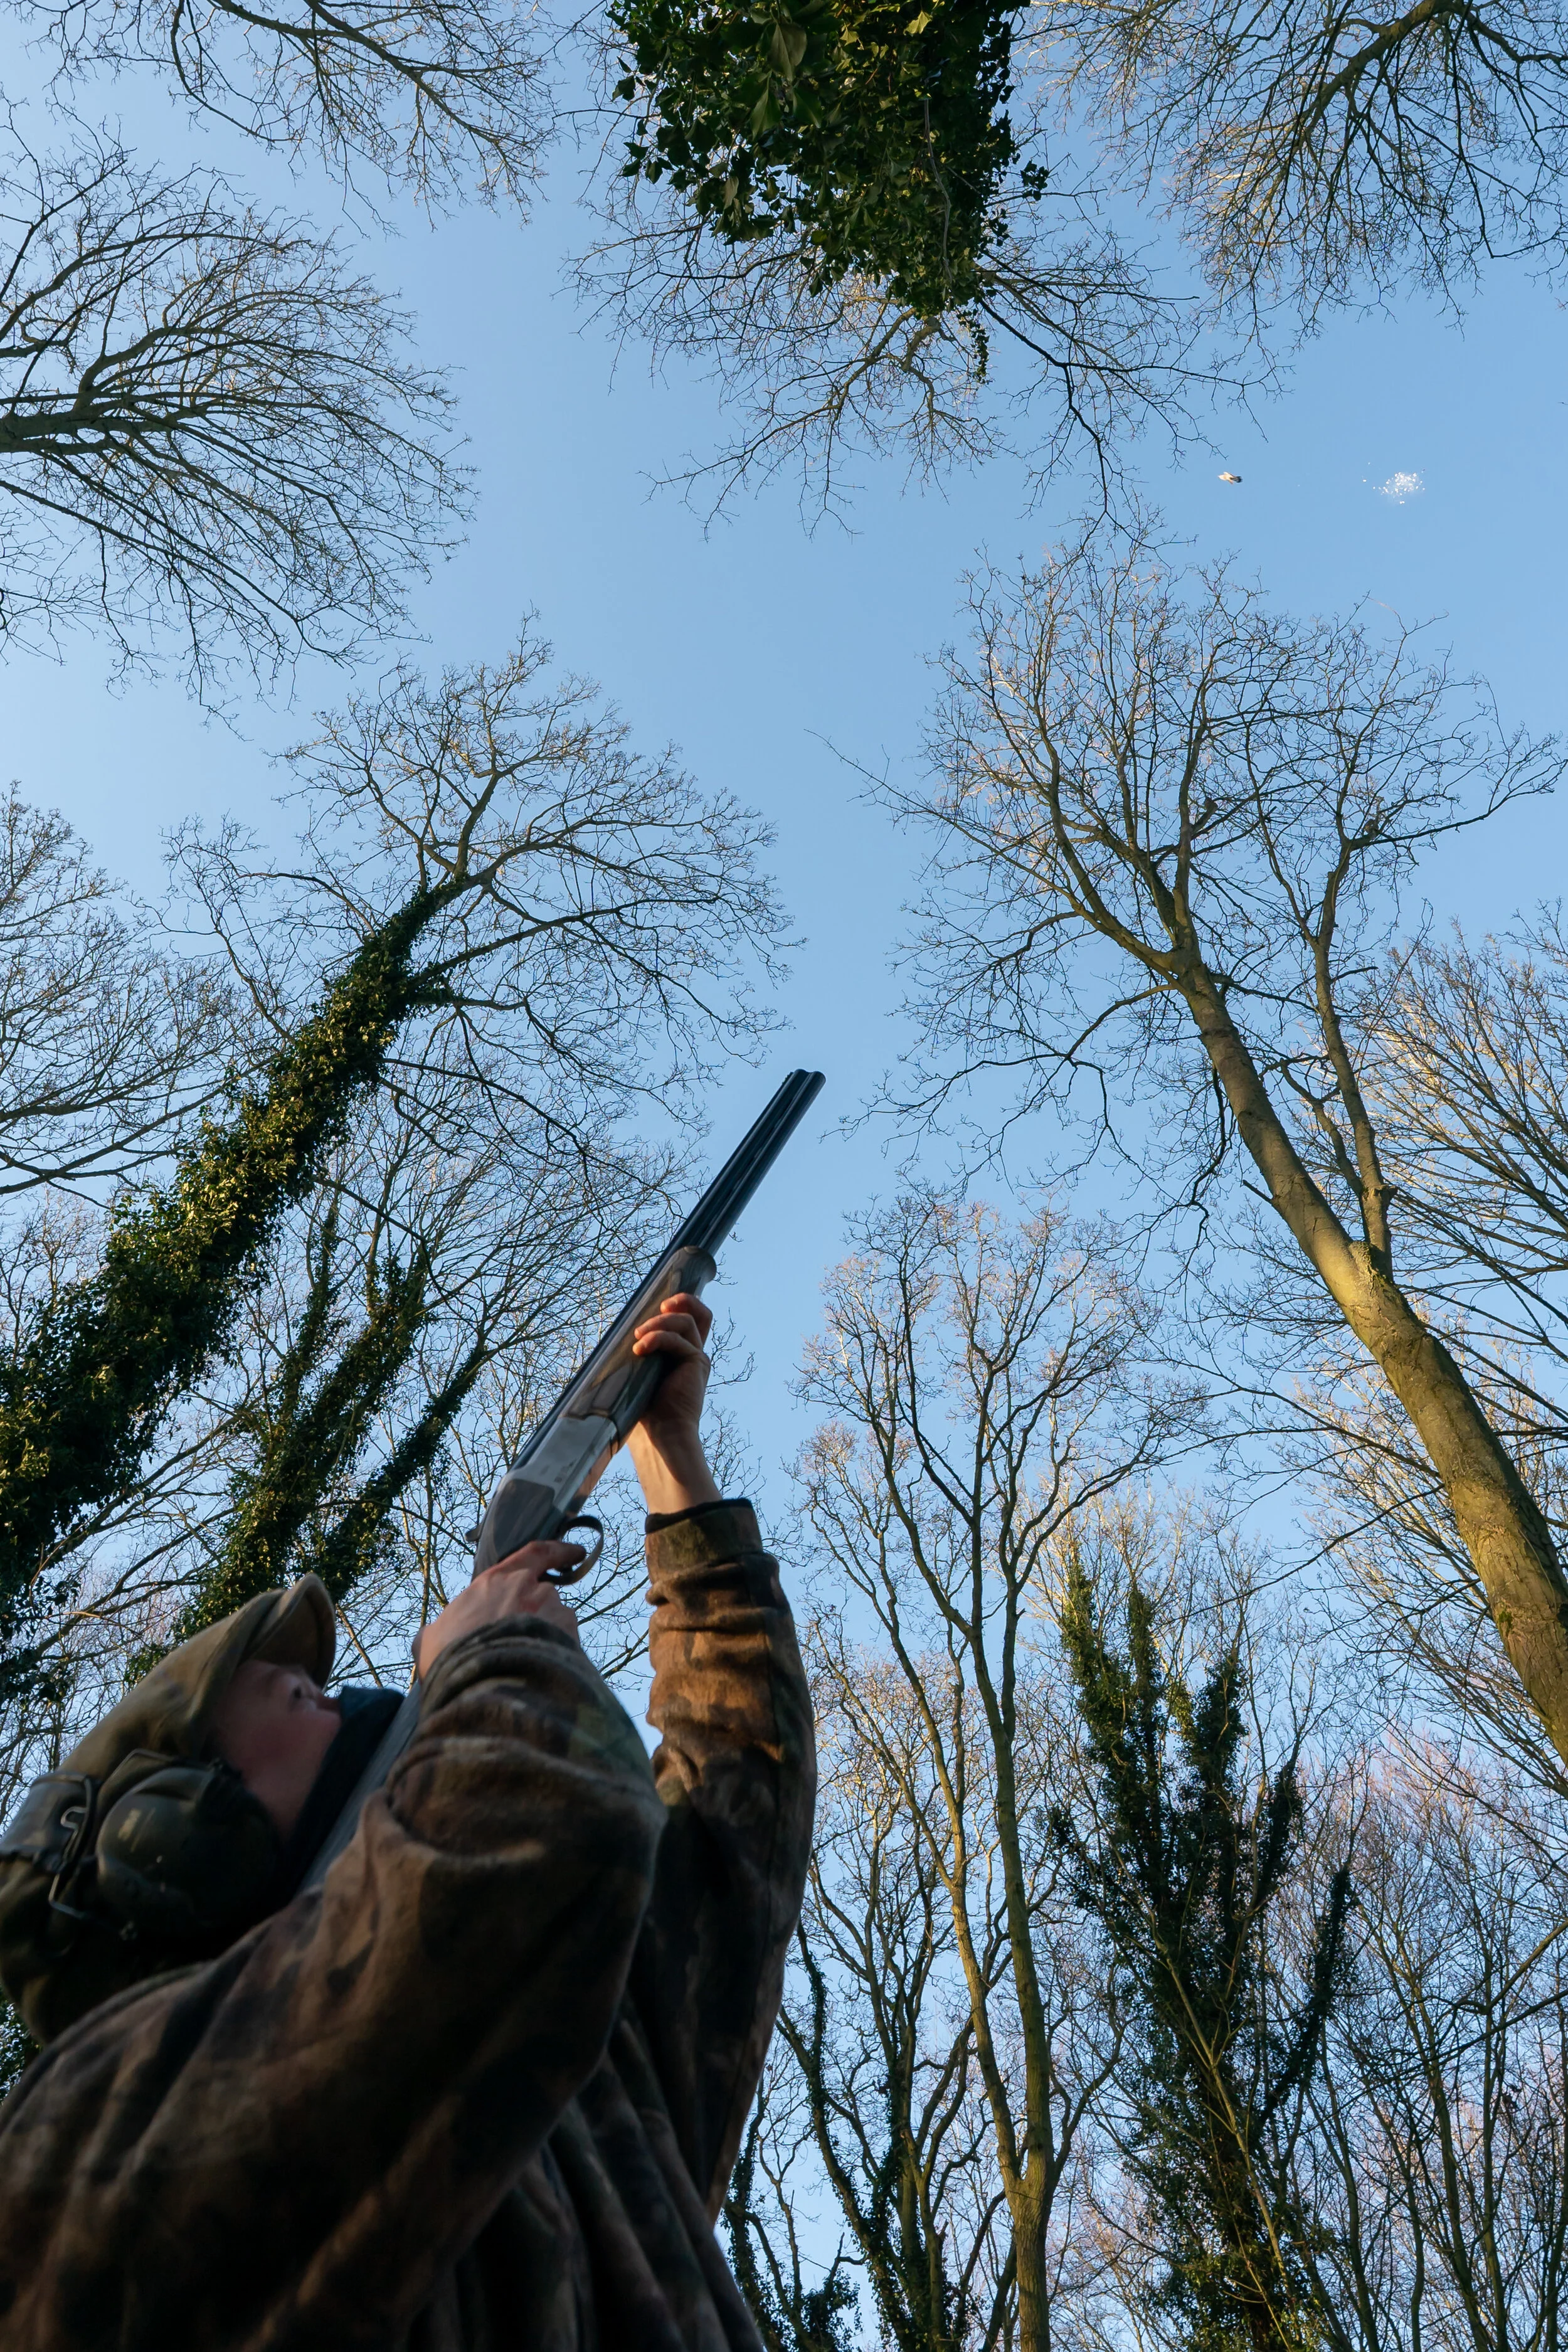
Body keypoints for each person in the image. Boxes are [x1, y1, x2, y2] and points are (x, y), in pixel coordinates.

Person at [0, 1293, 815, 2349]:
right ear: (177, 1846)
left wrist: (671, 1466)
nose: (342, 1695)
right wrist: (484, 1660)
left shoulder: (563, 2067)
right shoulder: (88, 2140)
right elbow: (530, 1841)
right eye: (296, 1697)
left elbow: (734, 1819)